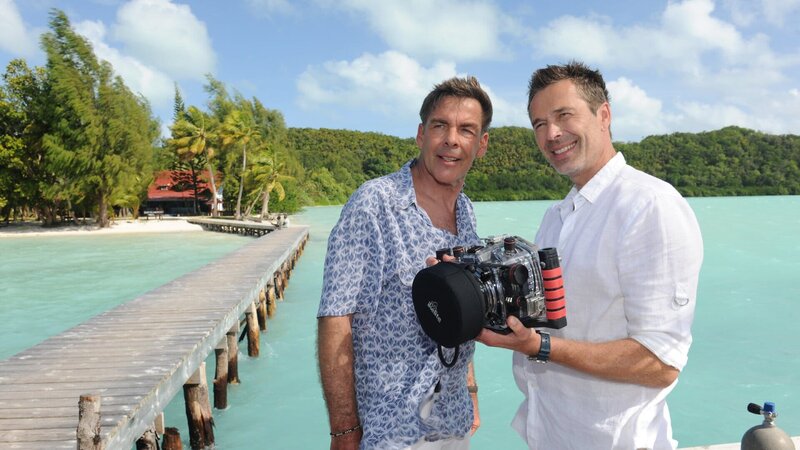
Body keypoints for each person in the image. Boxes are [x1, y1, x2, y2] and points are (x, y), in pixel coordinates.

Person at [477, 61, 704, 449]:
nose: (551, 134)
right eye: (538, 124)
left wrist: (540, 347)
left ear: (604, 115)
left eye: (564, 115)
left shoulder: (649, 206)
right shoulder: (557, 217)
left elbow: (661, 362)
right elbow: (540, 315)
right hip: (549, 434)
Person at [317, 76, 493, 450]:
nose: (451, 140)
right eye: (440, 126)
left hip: (453, 421)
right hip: (390, 432)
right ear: (420, 134)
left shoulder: (467, 212)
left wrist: (472, 392)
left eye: (467, 130)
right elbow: (336, 318)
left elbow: (459, 314)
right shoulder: (375, 203)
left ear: (481, 145)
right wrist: (344, 431)